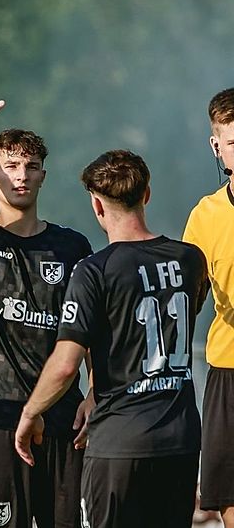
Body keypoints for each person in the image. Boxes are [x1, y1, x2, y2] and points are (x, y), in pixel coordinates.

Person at [16, 150, 208, 528]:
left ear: (97, 206)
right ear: (147, 194)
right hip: (181, 440)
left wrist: (30, 412)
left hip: (119, 444)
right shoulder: (190, 259)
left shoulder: (94, 271)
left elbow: (66, 362)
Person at [0, 90, 93, 528]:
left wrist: (96, 391)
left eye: (30, 166)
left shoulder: (71, 246)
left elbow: (92, 329)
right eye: (10, 166)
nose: (20, 176)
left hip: (64, 417)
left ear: (44, 174)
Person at [183, 87, 234, 527]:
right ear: (216, 146)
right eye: (233, 141)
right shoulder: (206, 214)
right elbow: (186, 301)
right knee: (228, 494)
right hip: (228, 368)